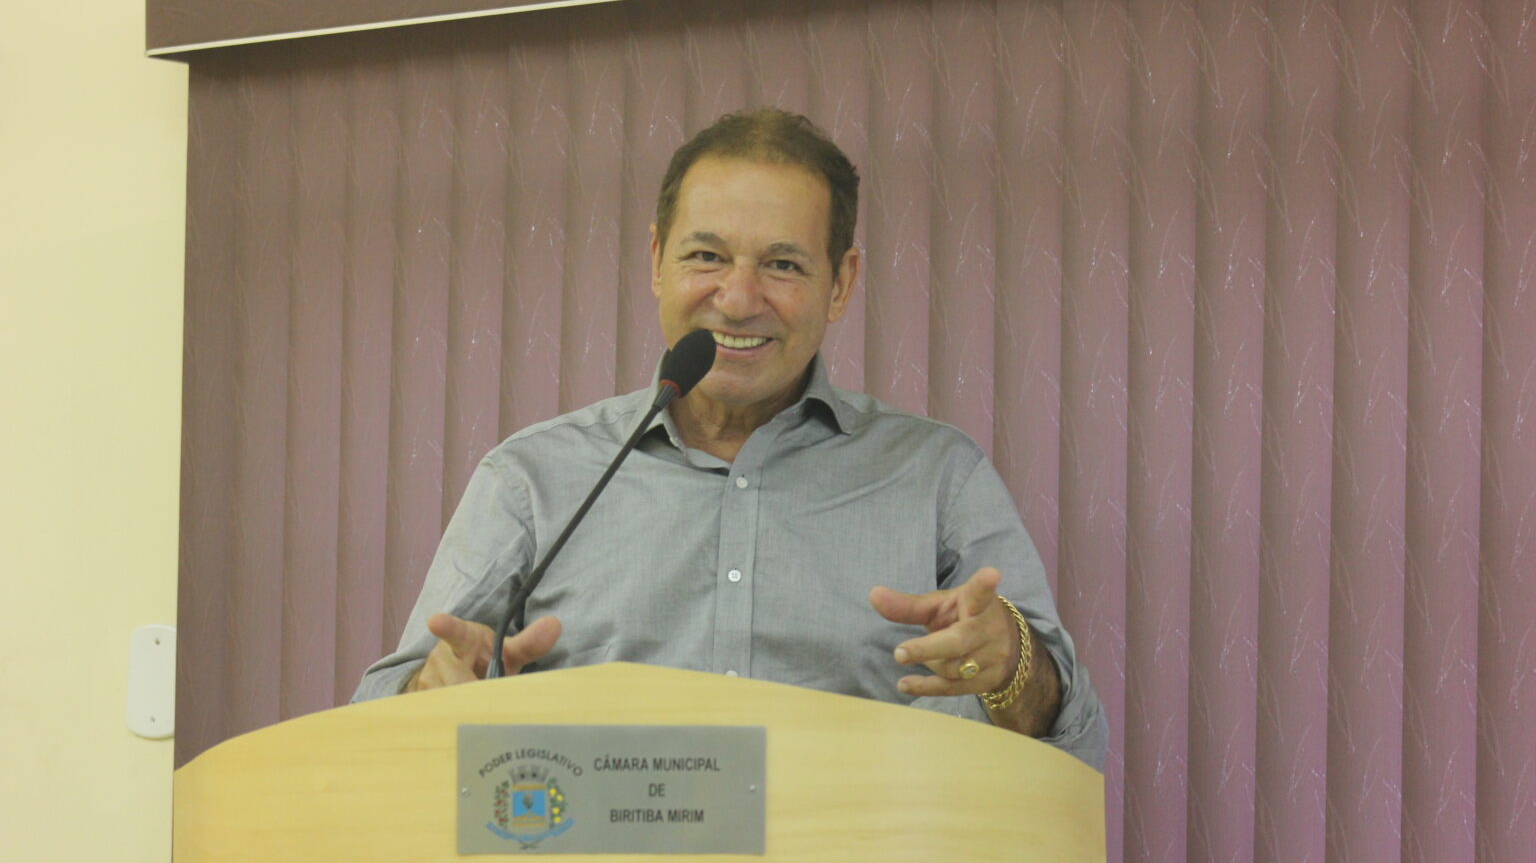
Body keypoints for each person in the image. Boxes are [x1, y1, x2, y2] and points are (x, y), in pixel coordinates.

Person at [352, 109, 1108, 771]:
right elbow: (376, 719)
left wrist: (1014, 668)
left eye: (782, 265)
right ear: (656, 261)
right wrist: (430, 694)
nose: (739, 300)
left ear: (841, 284)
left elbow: (1075, 748)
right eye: (706, 257)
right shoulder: (534, 478)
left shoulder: (938, 476)